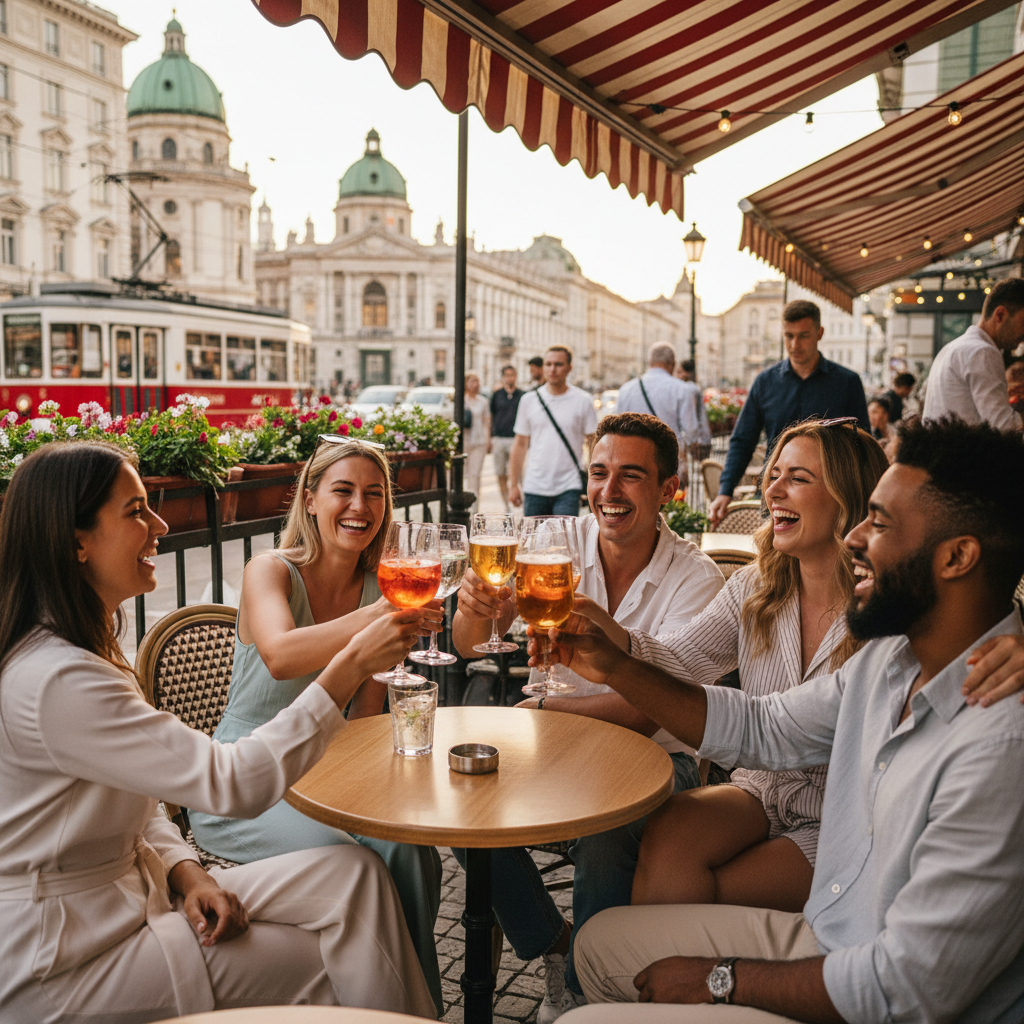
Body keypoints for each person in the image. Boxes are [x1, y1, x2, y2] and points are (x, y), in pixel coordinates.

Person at [548, 417, 1024, 1022]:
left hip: (863, 972)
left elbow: (904, 986)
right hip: (825, 911)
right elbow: (761, 726)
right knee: (599, 941)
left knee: (589, 1012)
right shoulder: (891, 658)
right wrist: (615, 660)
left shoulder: (998, 737)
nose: (856, 541)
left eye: (878, 525)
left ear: (957, 556)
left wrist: (717, 981)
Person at [0, 442, 438, 1022]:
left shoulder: (84, 652)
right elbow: (232, 784)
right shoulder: (57, 680)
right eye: (136, 511)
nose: (159, 524)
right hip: (68, 957)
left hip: (136, 896)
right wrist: (352, 662)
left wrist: (187, 873)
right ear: (75, 540)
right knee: (344, 954)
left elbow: (140, 801)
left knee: (356, 876)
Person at [452, 412, 725, 1022]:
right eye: (600, 473)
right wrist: (476, 608)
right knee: (459, 808)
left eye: (631, 476)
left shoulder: (697, 578)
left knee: (605, 838)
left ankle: (588, 996)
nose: (609, 491)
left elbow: (645, 704)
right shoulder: (556, 544)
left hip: (661, 759)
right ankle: (555, 941)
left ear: (669, 490)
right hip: (554, 748)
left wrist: (549, 709)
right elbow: (473, 644)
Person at [589, 422, 888, 923]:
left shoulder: (884, 607)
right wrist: (609, 636)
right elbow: (679, 662)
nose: (772, 490)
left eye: (797, 478)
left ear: (847, 498)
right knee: (672, 827)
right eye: (774, 475)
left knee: (701, 900)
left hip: (844, 818)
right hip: (760, 788)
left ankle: (672, 978)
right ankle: (642, 980)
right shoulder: (755, 585)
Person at [189, 436, 444, 1013]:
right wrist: (385, 612)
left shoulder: (381, 582)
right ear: (309, 499)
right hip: (243, 785)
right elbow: (280, 653)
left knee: (408, 847)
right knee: (353, 862)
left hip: (327, 776)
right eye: (343, 491)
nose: (360, 506)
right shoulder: (269, 570)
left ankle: (417, 1004)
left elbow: (366, 716)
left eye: (374, 495)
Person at [709, 300, 869, 529]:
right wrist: (725, 491)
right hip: (775, 493)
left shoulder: (847, 382)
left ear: (819, 333)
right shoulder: (765, 382)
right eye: (789, 336)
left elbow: (862, 443)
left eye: (803, 335)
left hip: (829, 496)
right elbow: (743, 440)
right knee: (775, 560)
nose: (795, 344)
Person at [922, 277, 1024, 431]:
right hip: (965, 453)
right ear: (1000, 315)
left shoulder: (953, 348)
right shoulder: (983, 352)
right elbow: (1005, 427)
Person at [508, 346, 598, 517]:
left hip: (569, 486)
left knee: (564, 541)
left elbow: (593, 443)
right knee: (534, 542)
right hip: (534, 486)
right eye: (548, 364)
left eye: (558, 364)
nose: (552, 369)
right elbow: (520, 444)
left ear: (569, 368)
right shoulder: (529, 400)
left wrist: (594, 481)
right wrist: (513, 485)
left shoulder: (583, 400)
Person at [617, 343, 700, 485]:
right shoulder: (681, 389)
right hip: (669, 462)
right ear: (672, 364)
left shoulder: (627, 389)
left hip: (633, 462)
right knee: (671, 503)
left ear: (650, 362)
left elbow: (617, 429)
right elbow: (691, 430)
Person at [490, 364, 524, 510]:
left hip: (516, 439)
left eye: (512, 375)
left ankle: (521, 502)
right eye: (507, 375)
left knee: (518, 472)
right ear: (503, 377)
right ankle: (506, 505)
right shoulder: (497, 395)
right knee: (500, 473)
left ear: (516, 376)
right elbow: (491, 416)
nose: (510, 378)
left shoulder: (522, 395)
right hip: (499, 438)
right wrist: (491, 437)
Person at [462, 372, 491, 513]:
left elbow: (487, 421)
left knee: (475, 475)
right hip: (464, 442)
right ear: (466, 383)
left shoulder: (483, 401)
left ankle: (474, 510)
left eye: (478, 381)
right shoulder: (461, 400)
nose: (476, 384)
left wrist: (488, 440)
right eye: (473, 381)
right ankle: (462, 507)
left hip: (478, 442)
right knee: (461, 475)